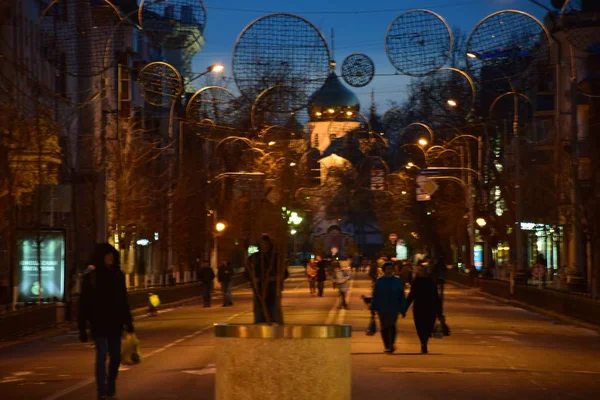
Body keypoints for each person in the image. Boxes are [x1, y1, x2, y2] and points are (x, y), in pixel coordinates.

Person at [79, 243, 134, 400]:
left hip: (115, 324)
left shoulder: (118, 275)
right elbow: (83, 303)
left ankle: (110, 383)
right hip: (98, 323)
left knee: (116, 357)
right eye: (107, 255)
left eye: (112, 255)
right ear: (100, 257)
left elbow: (124, 300)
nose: (110, 258)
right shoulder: (92, 276)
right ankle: (101, 390)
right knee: (102, 355)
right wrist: (82, 327)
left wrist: (128, 323)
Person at [246, 234, 289, 323]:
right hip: (259, 288)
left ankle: (274, 322)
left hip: (273, 287)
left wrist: (277, 278)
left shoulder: (276, 257)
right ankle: (260, 322)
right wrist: (253, 279)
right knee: (259, 308)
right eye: (263, 244)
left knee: (273, 308)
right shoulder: (254, 258)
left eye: (267, 244)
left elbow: (284, 272)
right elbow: (248, 271)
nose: (265, 246)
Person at [403, 264, 442, 354]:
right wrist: (404, 308)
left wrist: (439, 312)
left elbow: (436, 298)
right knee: (422, 326)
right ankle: (424, 342)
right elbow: (411, 296)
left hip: (425, 308)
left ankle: (423, 342)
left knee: (425, 326)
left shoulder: (430, 282)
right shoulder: (420, 282)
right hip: (424, 308)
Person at [370, 262, 406, 354]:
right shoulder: (379, 281)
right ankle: (386, 345)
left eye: (391, 268)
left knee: (392, 326)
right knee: (384, 327)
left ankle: (391, 344)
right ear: (384, 270)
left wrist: (403, 308)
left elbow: (401, 295)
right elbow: (375, 295)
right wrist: (373, 307)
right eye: (387, 269)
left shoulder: (397, 281)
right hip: (382, 308)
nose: (389, 270)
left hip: (394, 308)